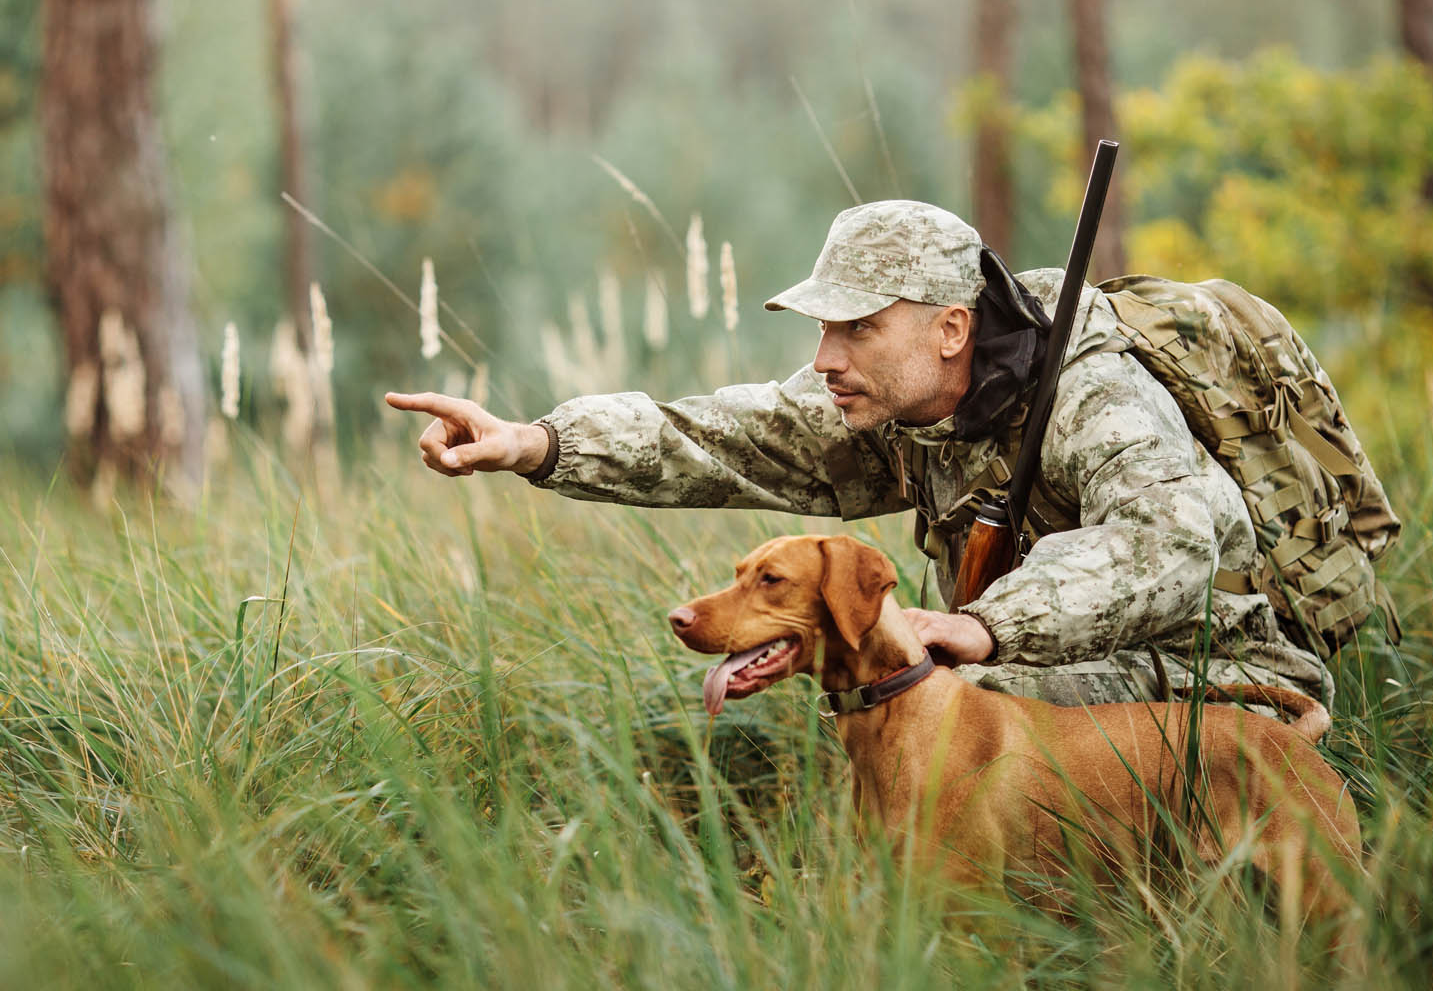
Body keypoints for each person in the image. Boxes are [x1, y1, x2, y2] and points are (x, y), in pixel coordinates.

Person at [384, 200, 1332, 708]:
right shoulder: (889, 399)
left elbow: (1170, 542)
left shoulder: (1091, 393)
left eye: (860, 329)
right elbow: (720, 436)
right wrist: (534, 441)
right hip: (1044, 664)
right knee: (922, 695)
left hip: (1220, 667)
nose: (826, 360)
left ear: (952, 328)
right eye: (824, 328)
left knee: (959, 694)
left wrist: (987, 627)